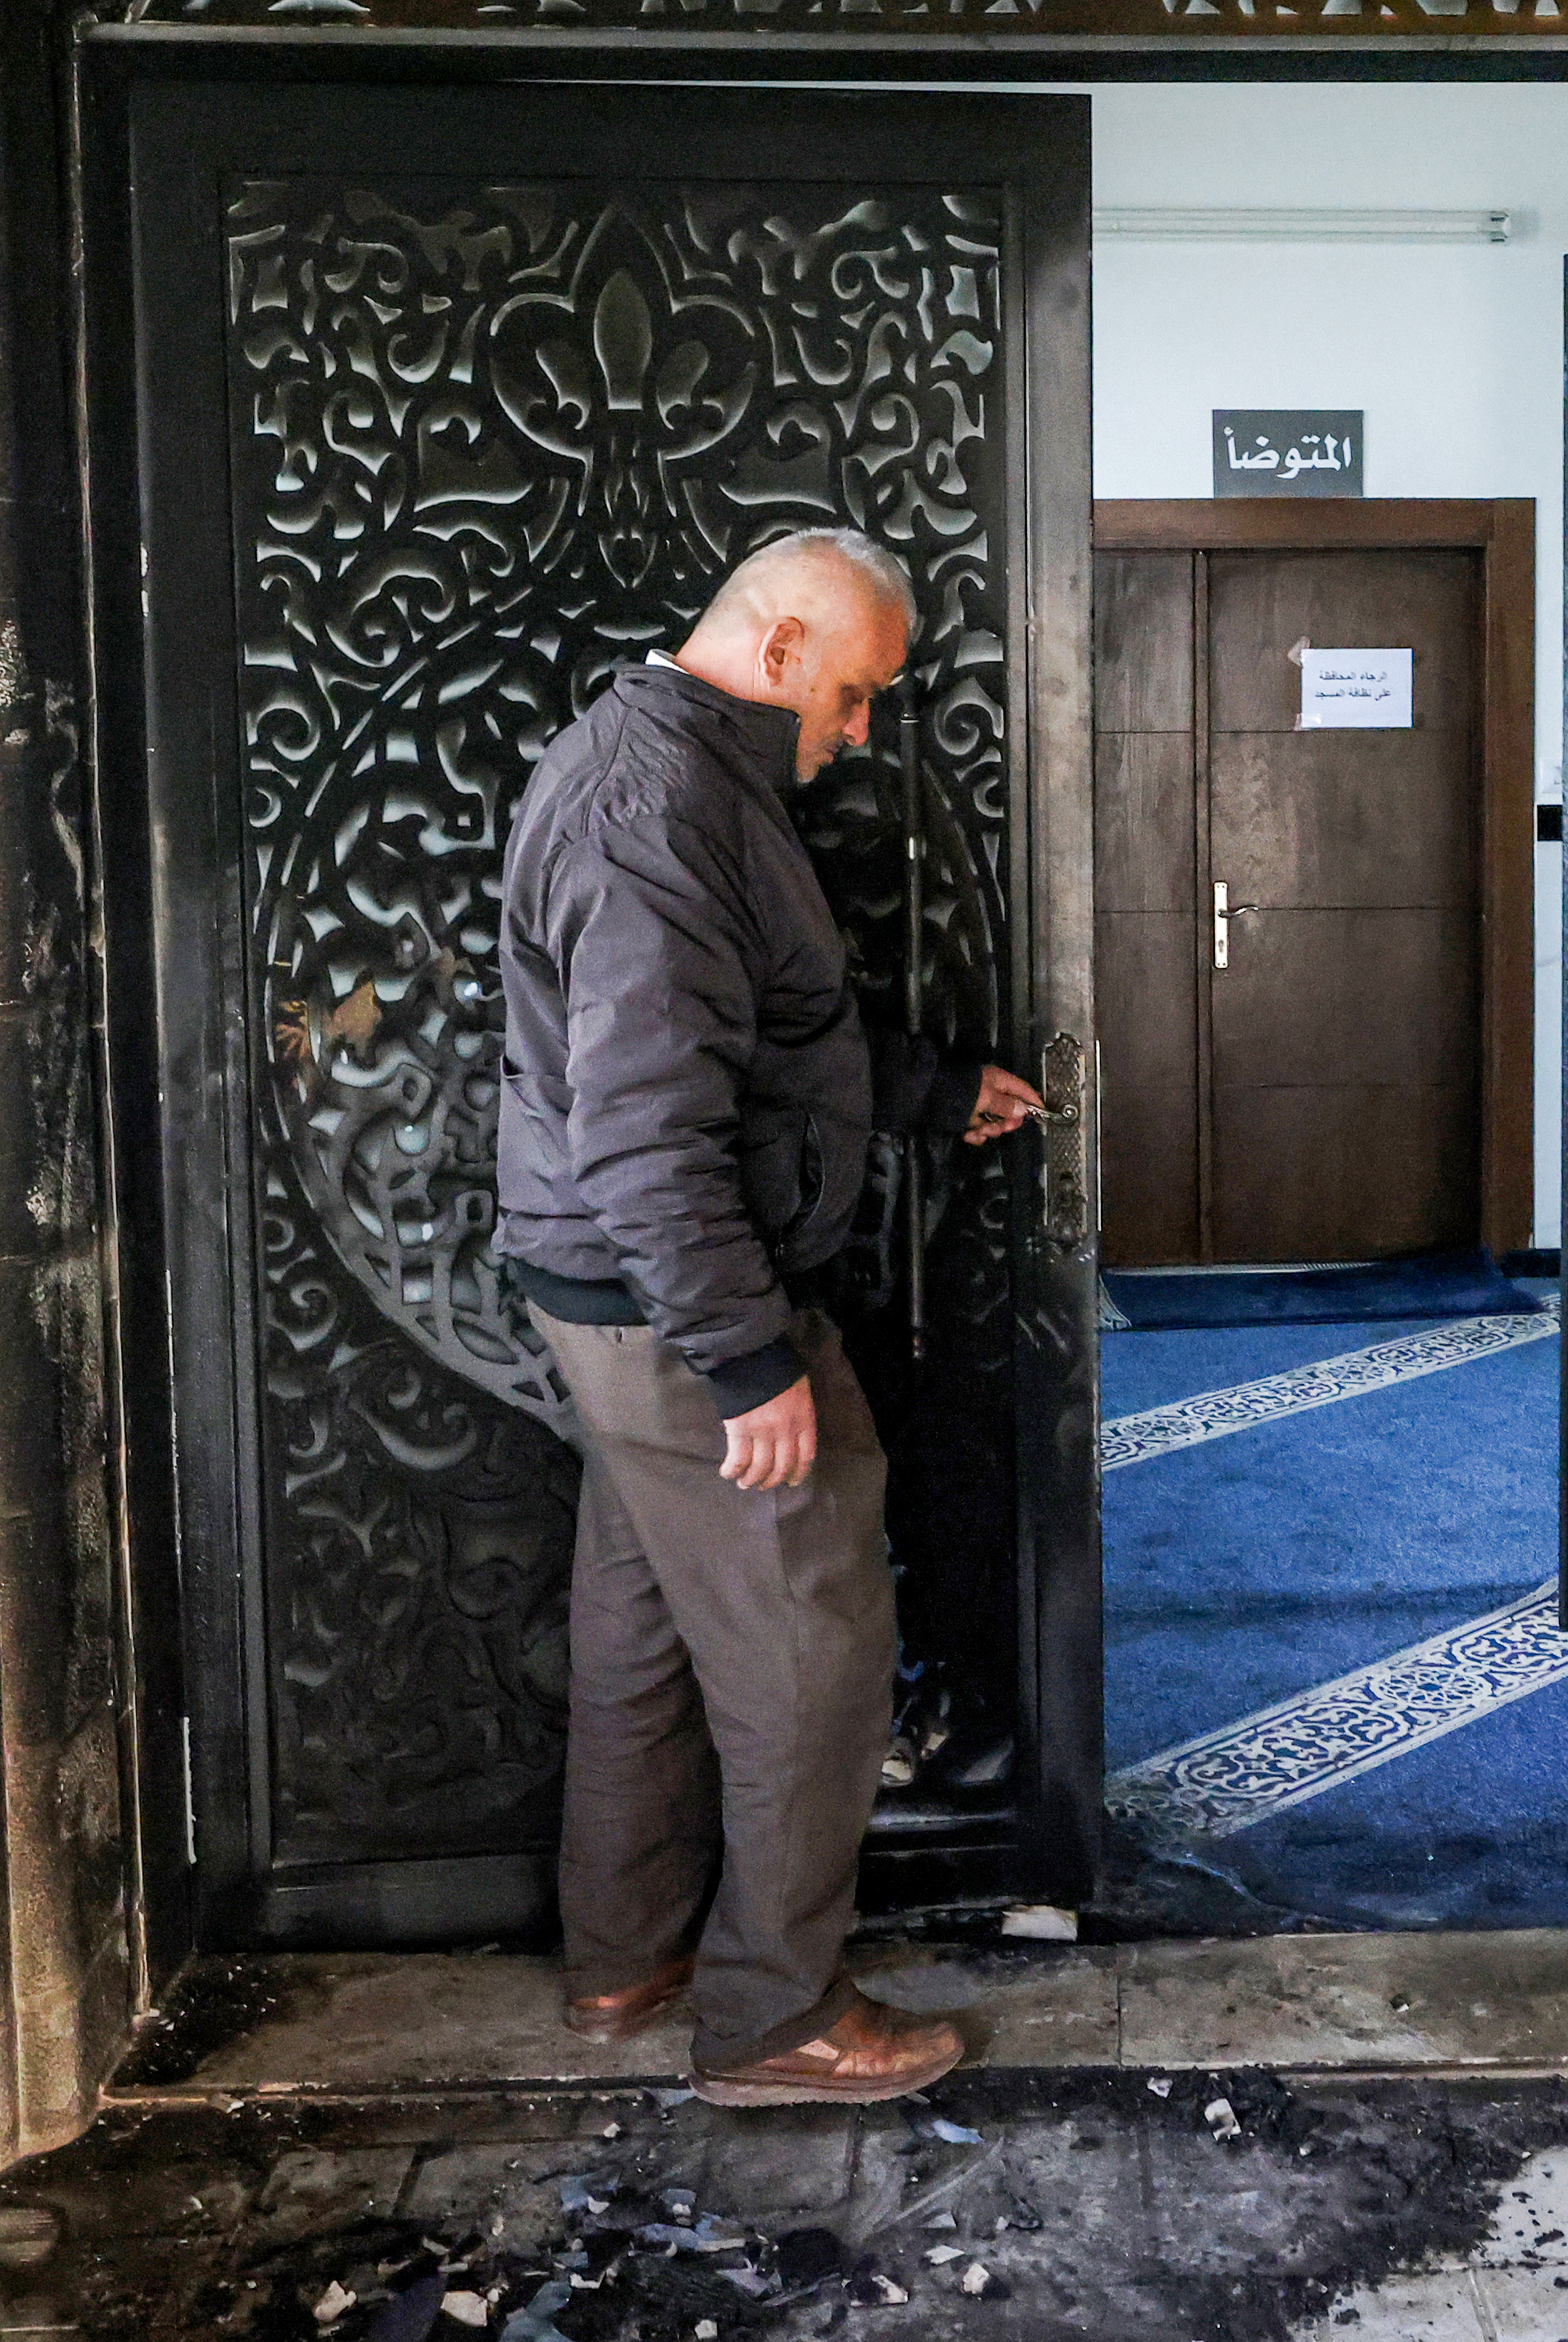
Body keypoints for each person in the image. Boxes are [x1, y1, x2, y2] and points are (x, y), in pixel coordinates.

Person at [493, 524, 1044, 2106]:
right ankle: (775, 2013)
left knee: (647, 1630)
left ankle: (626, 1956)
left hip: (620, 1291)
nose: (863, 729)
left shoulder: (682, 775)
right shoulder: (654, 802)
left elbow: (759, 1036)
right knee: (814, 1630)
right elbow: (649, 1120)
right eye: (860, 692)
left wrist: (933, 1092)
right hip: (676, 1303)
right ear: (784, 646)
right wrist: (745, 1357)